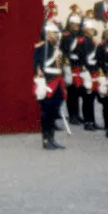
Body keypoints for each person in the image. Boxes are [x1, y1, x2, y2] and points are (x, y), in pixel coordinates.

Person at [33, 22, 68, 150]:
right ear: (47, 34)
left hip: (57, 82)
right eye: (54, 33)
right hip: (48, 82)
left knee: (54, 112)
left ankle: (52, 138)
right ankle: (46, 139)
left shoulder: (56, 48)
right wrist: (39, 75)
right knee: (46, 113)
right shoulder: (41, 47)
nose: (56, 36)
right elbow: (37, 65)